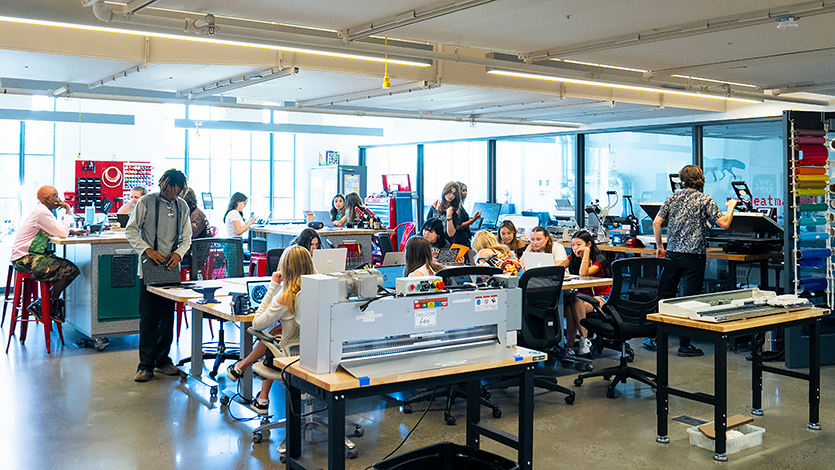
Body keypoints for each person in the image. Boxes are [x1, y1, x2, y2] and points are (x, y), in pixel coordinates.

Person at [649, 164, 737, 357]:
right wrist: (730, 207)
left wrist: (659, 247)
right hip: (693, 257)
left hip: (672, 254)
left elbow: (656, 223)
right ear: (701, 180)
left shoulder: (672, 197)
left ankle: (655, 337)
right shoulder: (705, 199)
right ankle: (684, 344)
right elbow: (724, 223)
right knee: (689, 299)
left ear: (682, 180)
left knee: (666, 295)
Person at [226, 246, 315, 414]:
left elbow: (257, 324)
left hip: (290, 357)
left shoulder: (286, 297)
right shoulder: (317, 291)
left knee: (272, 336)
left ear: (286, 268)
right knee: (277, 331)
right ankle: (258, 392)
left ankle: (245, 371)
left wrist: (273, 286)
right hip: (314, 353)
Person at [126, 169, 192, 382]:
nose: (172, 195)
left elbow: (187, 237)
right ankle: (145, 365)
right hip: (148, 267)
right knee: (148, 317)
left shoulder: (182, 206)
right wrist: (146, 249)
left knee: (167, 316)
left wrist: (178, 254)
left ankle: (163, 360)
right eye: (169, 190)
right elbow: (131, 230)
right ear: (161, 185)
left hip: (171, 267)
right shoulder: (146, 202)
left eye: (176, 191)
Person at [10, 186, 81, 323]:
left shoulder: (42, 211)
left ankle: (44, 305)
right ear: (48, 199)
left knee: (62, 269)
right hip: (25, 258)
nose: (59, 199)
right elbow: (61, 233)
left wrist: (71, 232)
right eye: (56, 196)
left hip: (26, 255)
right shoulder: (42, 212)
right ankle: (46, 304)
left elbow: (54, 230)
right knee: (69, 270)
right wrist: (67, 211)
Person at [558, 230, 611, 357]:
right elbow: (558, 268)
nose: (575, 248)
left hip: (601, 297)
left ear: (588, 244)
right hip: (582, 299)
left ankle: (583, 338)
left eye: (578, 245)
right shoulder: (573, 258)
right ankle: (572, 346)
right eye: (573, 245)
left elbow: (583, 273)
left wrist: (586, 253)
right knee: (571, 306)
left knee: (575, 298)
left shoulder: (600, 261)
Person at [451, 182, 482, 247]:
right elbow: (458, 226)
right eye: (463, 191)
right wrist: (474, 219)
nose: (465, 193)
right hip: (459, 240)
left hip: (463, 239)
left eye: (466, 191)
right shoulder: (455, 207)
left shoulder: (460, 205)